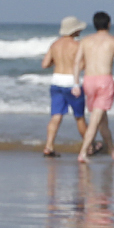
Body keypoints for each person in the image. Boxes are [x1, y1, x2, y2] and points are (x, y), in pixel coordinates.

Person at [74, 12, 114, 163]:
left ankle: (112, 150)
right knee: (95, 120)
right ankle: (83, 153)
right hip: (104, 81)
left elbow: (76, 63)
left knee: (102, 121)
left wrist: (76, 83)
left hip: (88, 81)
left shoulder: (85, 41)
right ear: (109, 24)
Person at [40, 16, 89, 156]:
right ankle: (89, 146)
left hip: (56, 82)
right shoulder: (77, 45)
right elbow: (83, 65)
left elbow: (44, 64)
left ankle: (48, 147)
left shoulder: (54, 44)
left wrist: (58, 63)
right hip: (71, 83)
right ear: (75, 30)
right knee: (79, 117)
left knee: (56, 116)